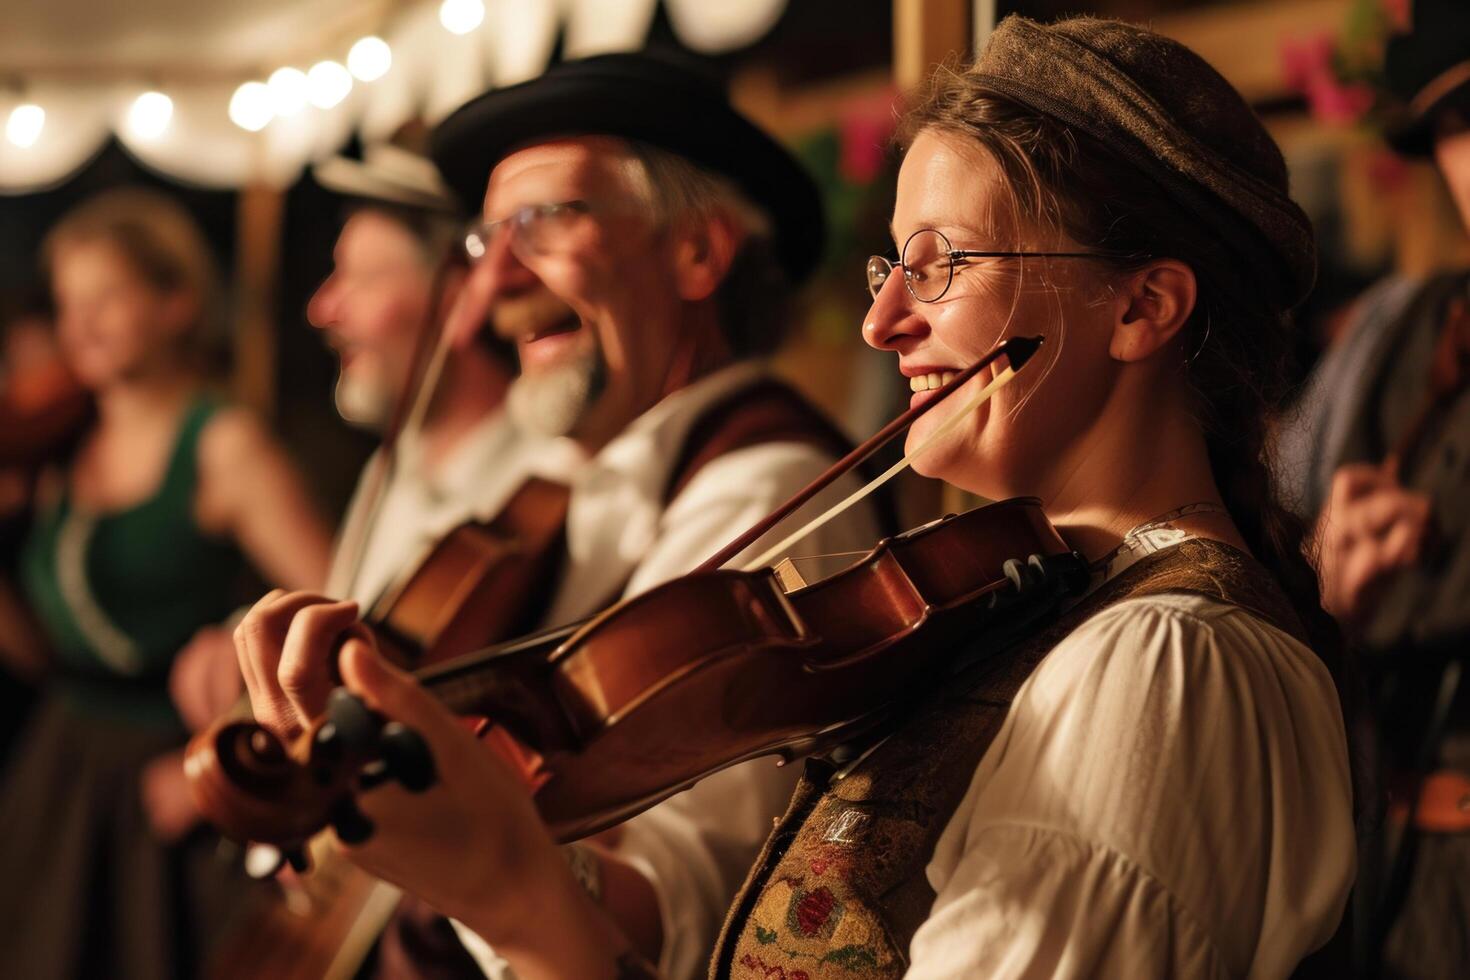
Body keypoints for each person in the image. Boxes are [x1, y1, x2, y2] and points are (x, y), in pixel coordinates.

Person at [225, 23, 1356, 977]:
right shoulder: (1038, 613)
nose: (882, 324)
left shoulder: (1162, 664)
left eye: (943, 262)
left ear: (1143, 307)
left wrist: (519, 888)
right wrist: (506, 879)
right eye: (886, 269)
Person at [233, 56, 888, 980]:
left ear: (697, 252)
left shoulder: (765, 494)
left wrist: (477, 854)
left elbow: (691, 907)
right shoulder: (558, 478)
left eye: (543, 221)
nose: (494, 278)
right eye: (485, 238)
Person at [0, 188, 333, 980]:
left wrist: (221, 746)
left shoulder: (222, 443)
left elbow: (338, 612)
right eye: (69, 302)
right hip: (64, 767)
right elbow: (41, 651)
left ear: (177, 301)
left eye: (107, 297)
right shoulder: (63, 440)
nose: (79, 325)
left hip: (167, 773)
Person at [1274, 1, 1470, 974]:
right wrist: (1316, 590)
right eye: (1458, 124)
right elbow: (1263, 578)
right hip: (1387, 880)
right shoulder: (1394, 332)